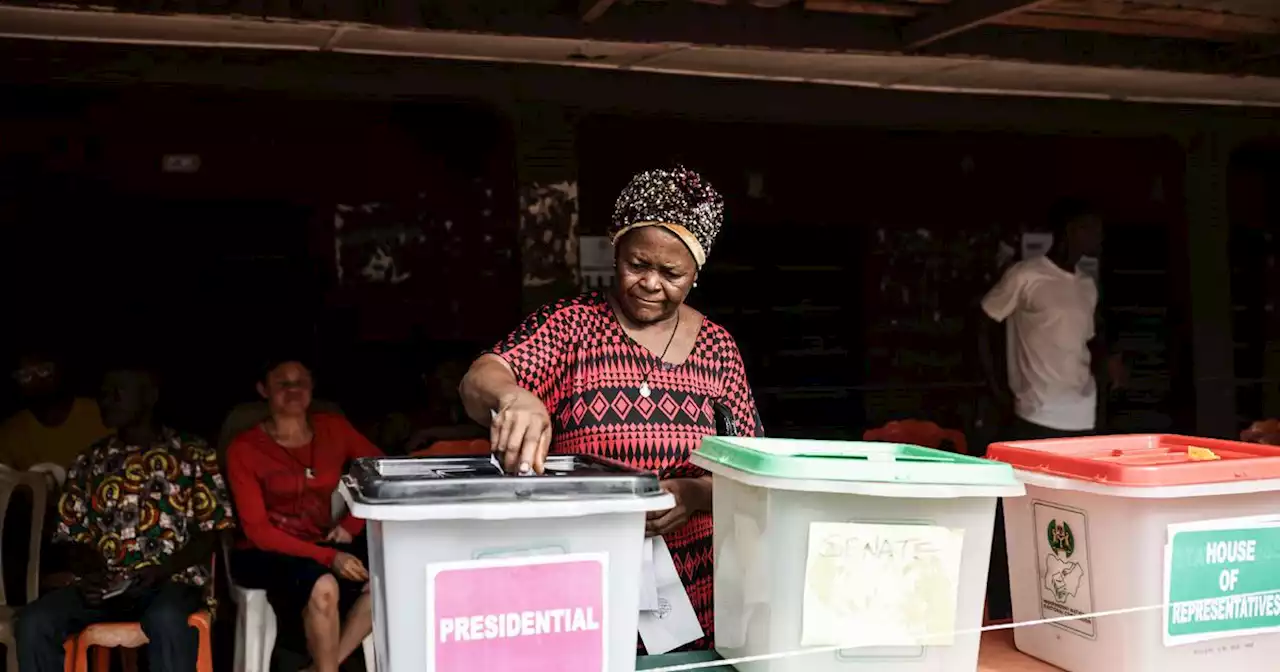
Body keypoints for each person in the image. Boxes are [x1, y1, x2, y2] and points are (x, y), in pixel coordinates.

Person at [459, 165, 763, 652]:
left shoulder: (718, 349)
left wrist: (692, 493)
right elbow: (481, 377)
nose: (650, 283)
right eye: (637, 264)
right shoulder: (571, 326)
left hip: (696, 586)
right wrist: (513, 395)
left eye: (671, 274)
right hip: (582, 574)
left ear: (696, 275)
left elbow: (752, 473)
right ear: (615, 252)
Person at [16, 363, 235, 672]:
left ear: (150, 397)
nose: (107, 401)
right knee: (34, 621)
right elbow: (70, 537)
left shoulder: (193, 454)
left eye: (118, 392)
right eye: (104, 394)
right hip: (104, 588)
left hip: (170, 582)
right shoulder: (89, 460)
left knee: (167, 619)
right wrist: (91, 573)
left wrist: (161, 571)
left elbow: (213, 532)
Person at [225, 359, 383, 672]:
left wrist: (351, 524)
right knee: (324, 586)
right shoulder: (244, 448)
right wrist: (328, 558)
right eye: (282, 383)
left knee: (383, 585)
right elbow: (258, 531)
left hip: (322, 542)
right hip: (264, 552)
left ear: (312, 388)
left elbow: (380, 471)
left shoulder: (332, 428)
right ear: (263, 389)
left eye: (301, 382)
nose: (293, 389)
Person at [978, 197, 1122, 441]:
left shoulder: (1087, 285)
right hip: (1036, 413)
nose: (1100, 236)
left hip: (1083, 415)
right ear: (1072, 230)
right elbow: (982, 328)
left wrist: (1109, 362)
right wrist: (996, 389)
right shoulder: (1026, 276)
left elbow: (1086, 339)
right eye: (1093, 228)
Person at [0, 350, 110, 469]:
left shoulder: (101, 414)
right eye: (25, 375)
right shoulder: (10, 433)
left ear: (60, 369)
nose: (37, 380)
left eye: (45, 370)